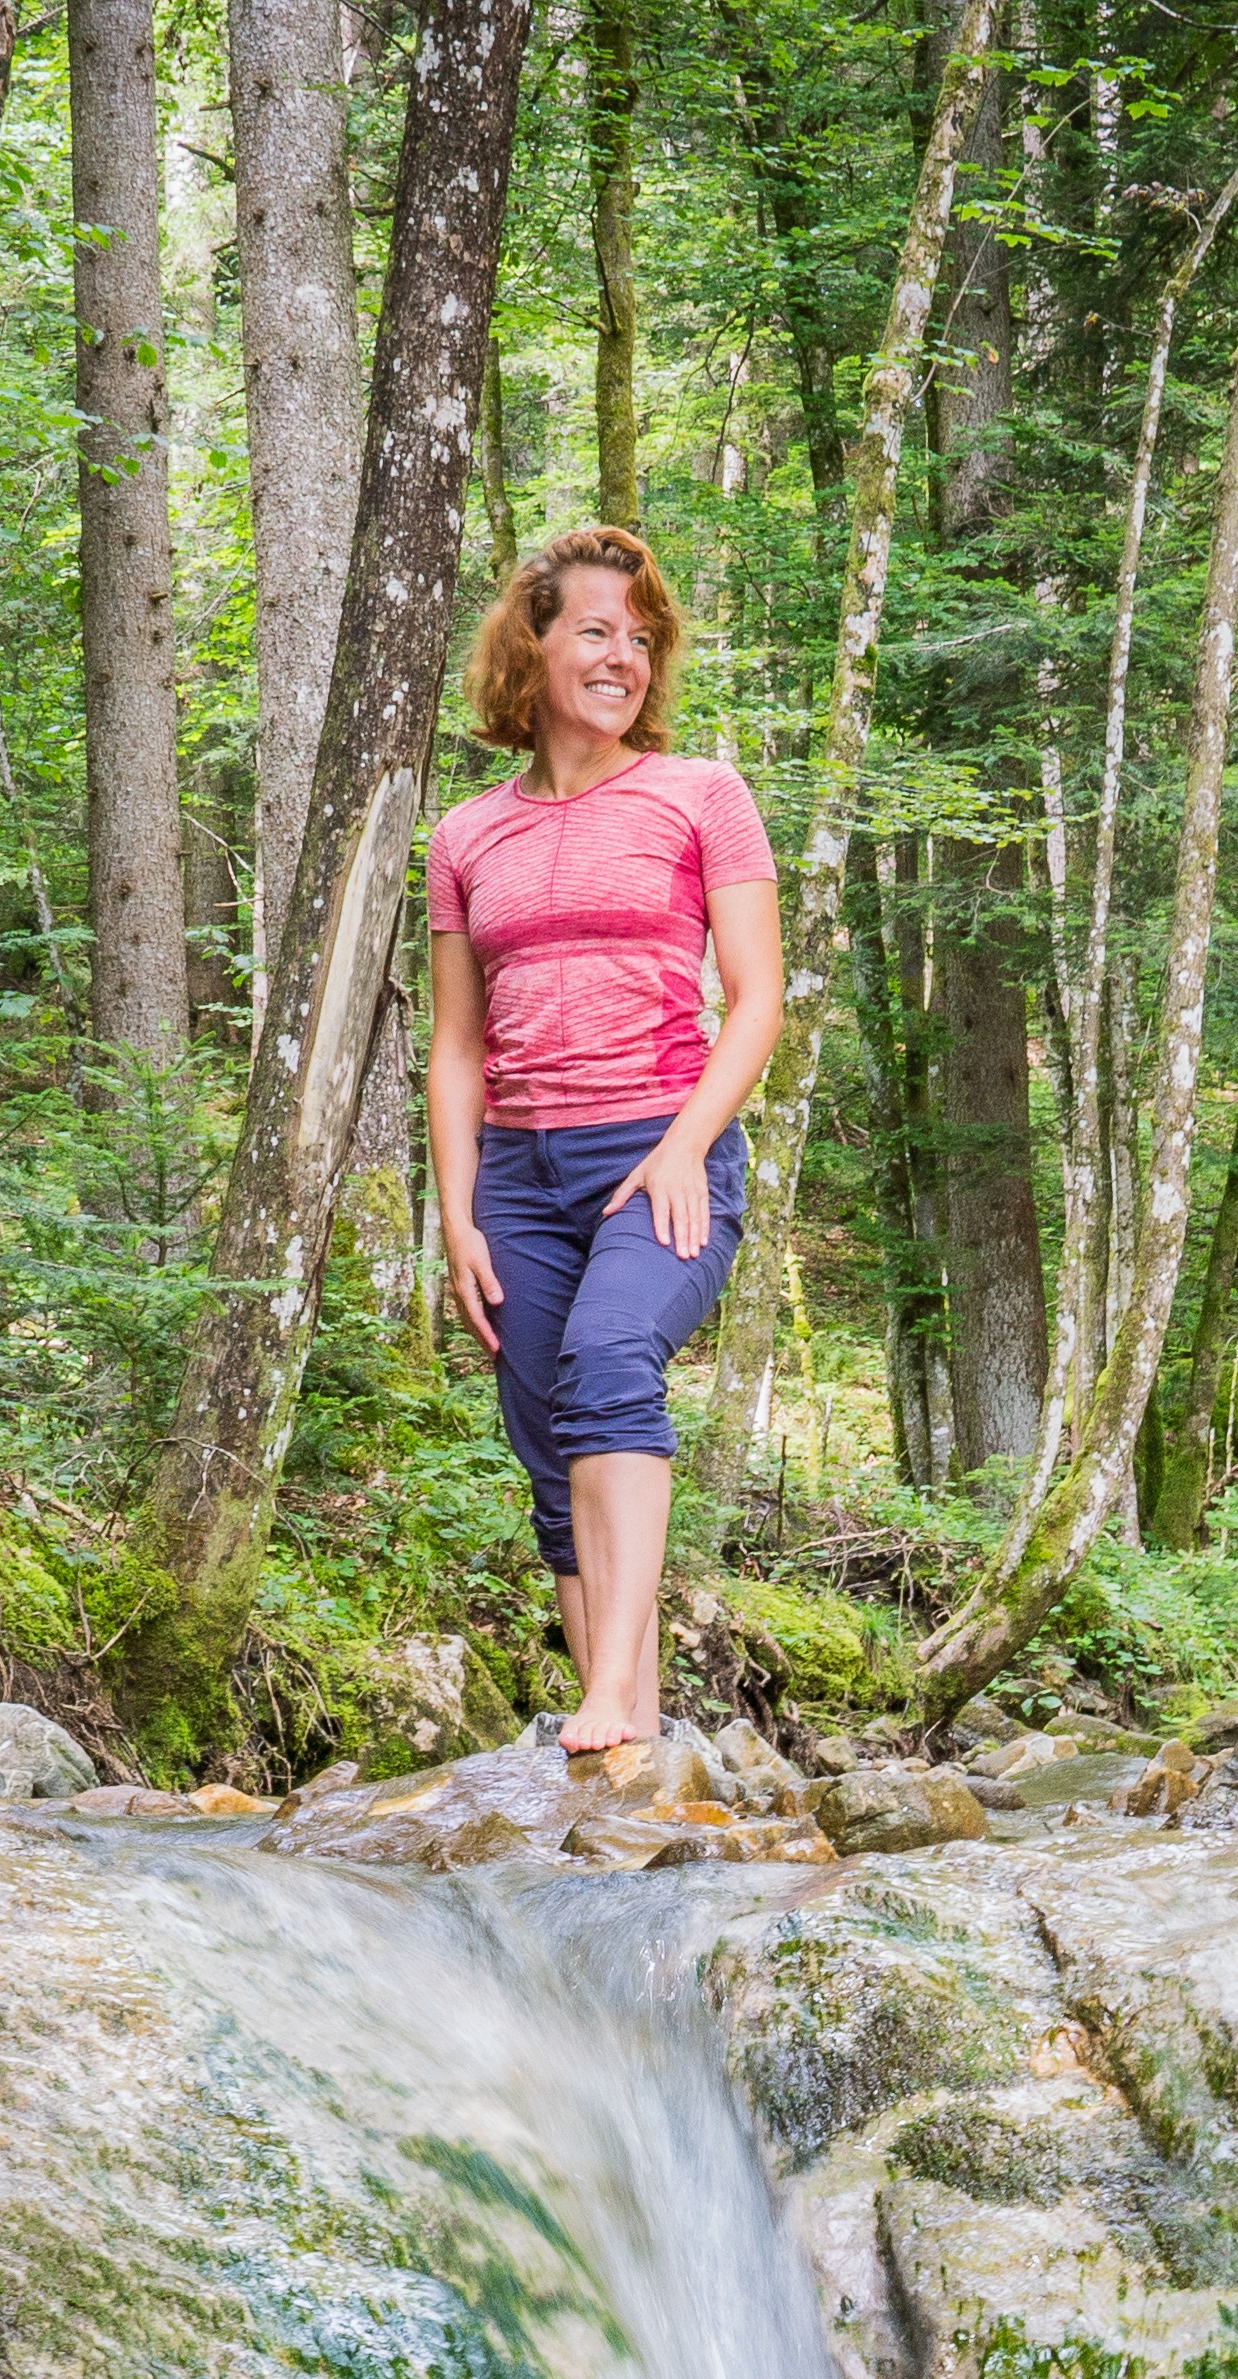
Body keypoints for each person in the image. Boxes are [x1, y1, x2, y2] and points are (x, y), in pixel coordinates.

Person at [422, 523, 785, 1757]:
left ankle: (612, 1696)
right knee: (547, 1440)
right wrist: (459, 1217)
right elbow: (456, 1048)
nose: (623, 657)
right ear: (530, 647)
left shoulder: (701, 795)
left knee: (612, 1360)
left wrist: (685, 1146)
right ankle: (623, 1746)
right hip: (520, 1176)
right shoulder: (467, 835)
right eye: (595, 630)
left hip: (661, 1151)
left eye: (641, 638)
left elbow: (758, 1000)